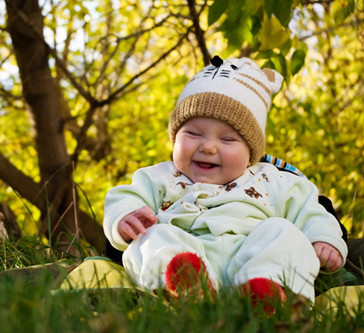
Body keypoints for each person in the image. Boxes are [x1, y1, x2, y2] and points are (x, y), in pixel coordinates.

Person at [103, 56, 348, 308]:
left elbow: (312, 212)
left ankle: (265, 291)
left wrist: (324, 240)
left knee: (284, 232)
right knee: (151, 238)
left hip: (252, 256)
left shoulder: (273, 180)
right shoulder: (158, 177)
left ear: (250, 152)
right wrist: (125, 216)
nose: (207, 146)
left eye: (228, 139)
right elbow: (124, 197)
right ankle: (185, 287)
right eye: (193, 133)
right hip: (186, 252)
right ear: (175, 138)